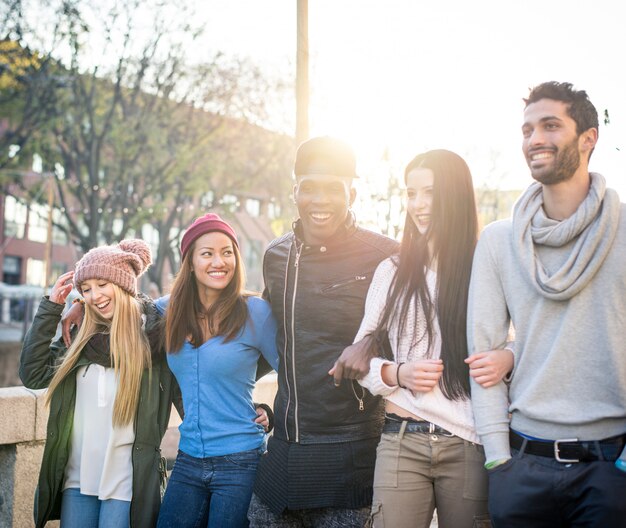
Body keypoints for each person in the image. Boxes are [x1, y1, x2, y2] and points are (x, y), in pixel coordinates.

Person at [468, 81, 626, 527]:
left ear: (588, 138)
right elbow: (482, 354)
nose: (534, 139)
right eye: (527, 129)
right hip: (522, 465)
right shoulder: (498, 242)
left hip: (611, 467)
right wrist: (498, 457)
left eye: (550, 126)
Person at [351, 149, 512, 528]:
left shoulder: (487, 268)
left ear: (454, 195)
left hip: (470, 441)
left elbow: (530, 338)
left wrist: (509, 358)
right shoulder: (391, 271)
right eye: (410, 193)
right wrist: (397, 373)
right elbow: (361, 361)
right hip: (401, 439)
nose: (418, 205)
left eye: (429, 192)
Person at [248, 136, 399, 527]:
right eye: (309, 187)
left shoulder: (386, 255)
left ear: (351, 192)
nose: (320, 200)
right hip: (283, 446)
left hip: (350, 450)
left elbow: (419, 333)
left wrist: (372, 341)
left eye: (333, 188)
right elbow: (269, 335)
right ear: (294, 191)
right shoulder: (276, 256)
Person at [19, 240, 180, 528]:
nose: (95, 296)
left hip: (126, 482)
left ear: (122, 285)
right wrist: (52, 309)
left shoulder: (153, 340)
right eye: (86, 289)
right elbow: (32, 373)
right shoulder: (79, 340)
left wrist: (248, 409)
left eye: (102, 284)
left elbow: (193, 389)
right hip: (77, 480)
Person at [156, 213, 279, 528]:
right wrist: (76, 303)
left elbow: (295, 375)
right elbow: (122, 305)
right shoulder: (167, 311)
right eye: (207, 253)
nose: (219, 261)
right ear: (191, 262)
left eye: (227, 252)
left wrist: (272, 411)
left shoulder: (255, 313)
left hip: (242, 461)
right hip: (188, 460)